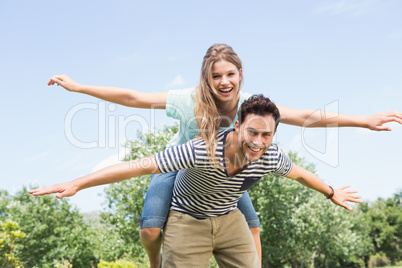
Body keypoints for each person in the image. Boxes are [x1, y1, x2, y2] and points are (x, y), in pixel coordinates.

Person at [47, 44, 402, 267]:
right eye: (216, 76)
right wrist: (79, 87)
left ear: (240, 74)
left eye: (230, 74)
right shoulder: (188, 101)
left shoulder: (253, 110)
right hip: (181, 165)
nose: (224, 81)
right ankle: (157, 262)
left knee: (252, 226)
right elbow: (133, 98)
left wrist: (362, 121)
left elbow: (310, 117)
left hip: (227, 174)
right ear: (207, 78)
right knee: (153, 229)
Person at [29, 95, 362, 267]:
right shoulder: (202, 150)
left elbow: (301, 175)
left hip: (230, 220)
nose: (258, 141)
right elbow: (138, 166)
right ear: (237, 126)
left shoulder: (271, 155)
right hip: (187, 222)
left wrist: (331, 192)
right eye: (252, 132)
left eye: (266, 134)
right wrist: (78, 182)